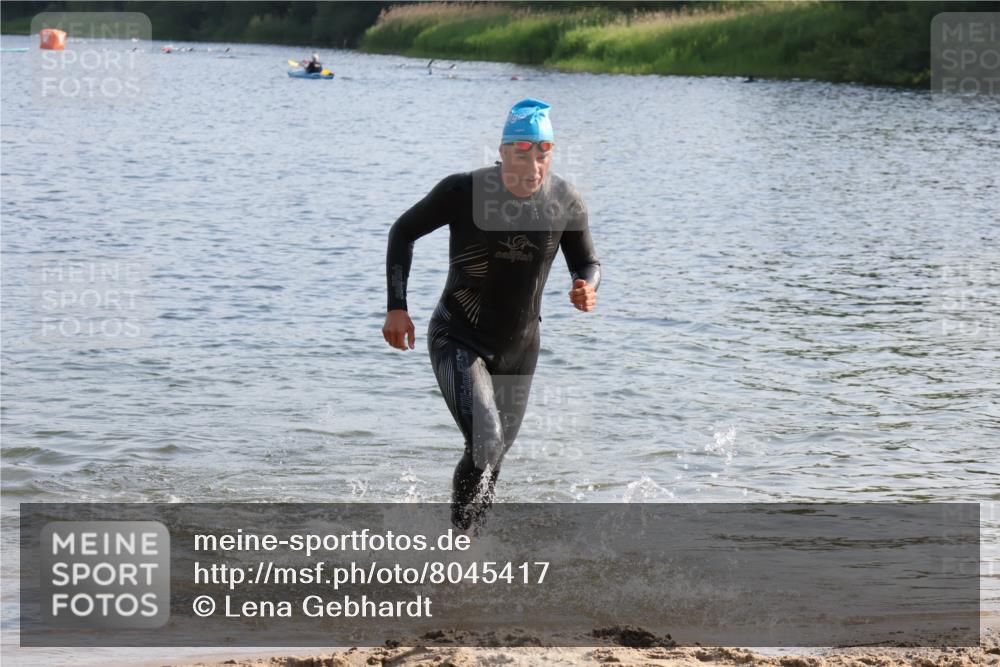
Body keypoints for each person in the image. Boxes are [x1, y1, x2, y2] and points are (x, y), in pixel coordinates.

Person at [383, 98, 601, 531]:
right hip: (458, 337)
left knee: (492, 455)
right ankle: (461, 549)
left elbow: (587, 262)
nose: (533, 163)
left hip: (519, 350)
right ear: (502, 151)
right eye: (522, 150)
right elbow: (403, 231)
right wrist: (397, 308)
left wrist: (586, 287)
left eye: (543, 151)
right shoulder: (463, 191)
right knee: (486, 440)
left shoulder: (565, 201)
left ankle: (469, 549)